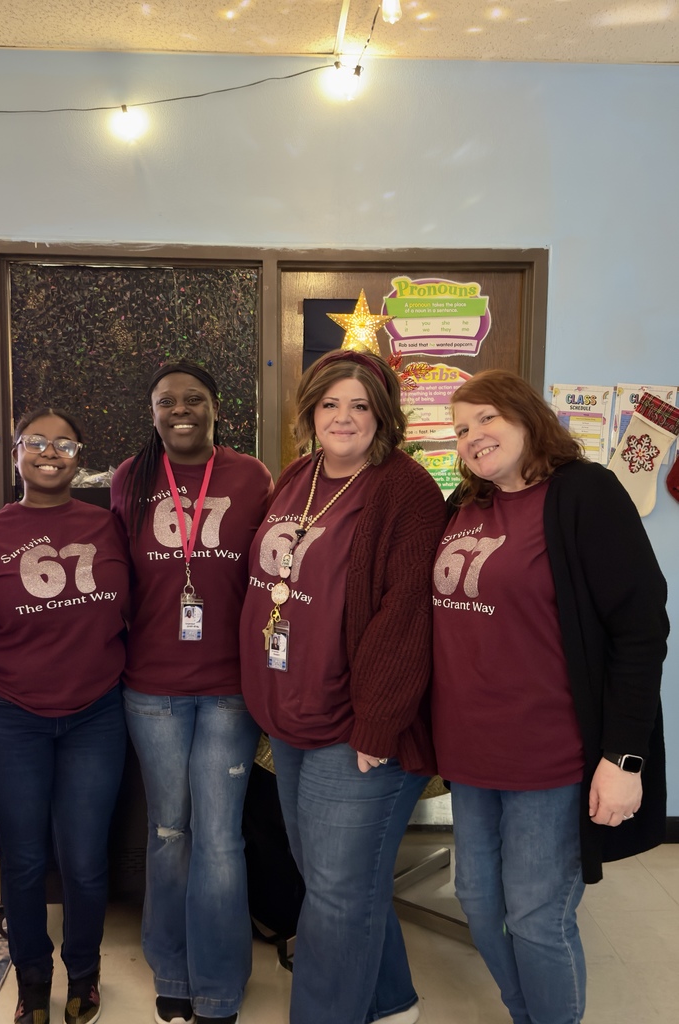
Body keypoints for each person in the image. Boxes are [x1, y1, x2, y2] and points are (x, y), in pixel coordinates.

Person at [432, 369, 669, 1024]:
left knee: (537, 917)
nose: (472, 436)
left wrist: (624, 759)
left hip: (549, 757)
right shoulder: (464, 505)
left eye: (486, 418)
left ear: (527, 417)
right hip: (471, 755)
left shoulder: (583, 494)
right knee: (480, 905)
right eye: (460, 428)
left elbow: (641, 629)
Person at [239, 349, 444, 1024]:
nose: (344, 417)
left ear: (383, 416)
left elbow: (406, 611)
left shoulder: (403, 488)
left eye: (360, 405)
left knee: (332, 897)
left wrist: (379, 721)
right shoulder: (298, 476)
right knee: (340, 885)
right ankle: (390, 1005)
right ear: (310, 412)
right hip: (292, 717)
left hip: (356, 726)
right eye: (331, 403)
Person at [0, 408, 130, 1024]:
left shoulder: (111, 526)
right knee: (23, 860)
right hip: (6, 719)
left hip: (95, 716)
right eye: (36, 442)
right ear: (16, 453)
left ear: (80, 456)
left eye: (65, 443)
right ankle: (31, 982)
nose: (50, 452)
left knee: (84, 860)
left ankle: (85, 974)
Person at [110, 361, 273, 1024]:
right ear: (152, 412)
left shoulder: (252, 475)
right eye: (166, 401)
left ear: (215, 407)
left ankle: (219, 984)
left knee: (220, 838)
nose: (181, 409)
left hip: (231, 685)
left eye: (194, 399)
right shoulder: (131, 477)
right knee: (168, 830)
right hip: (151, 686)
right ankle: (172, 970)